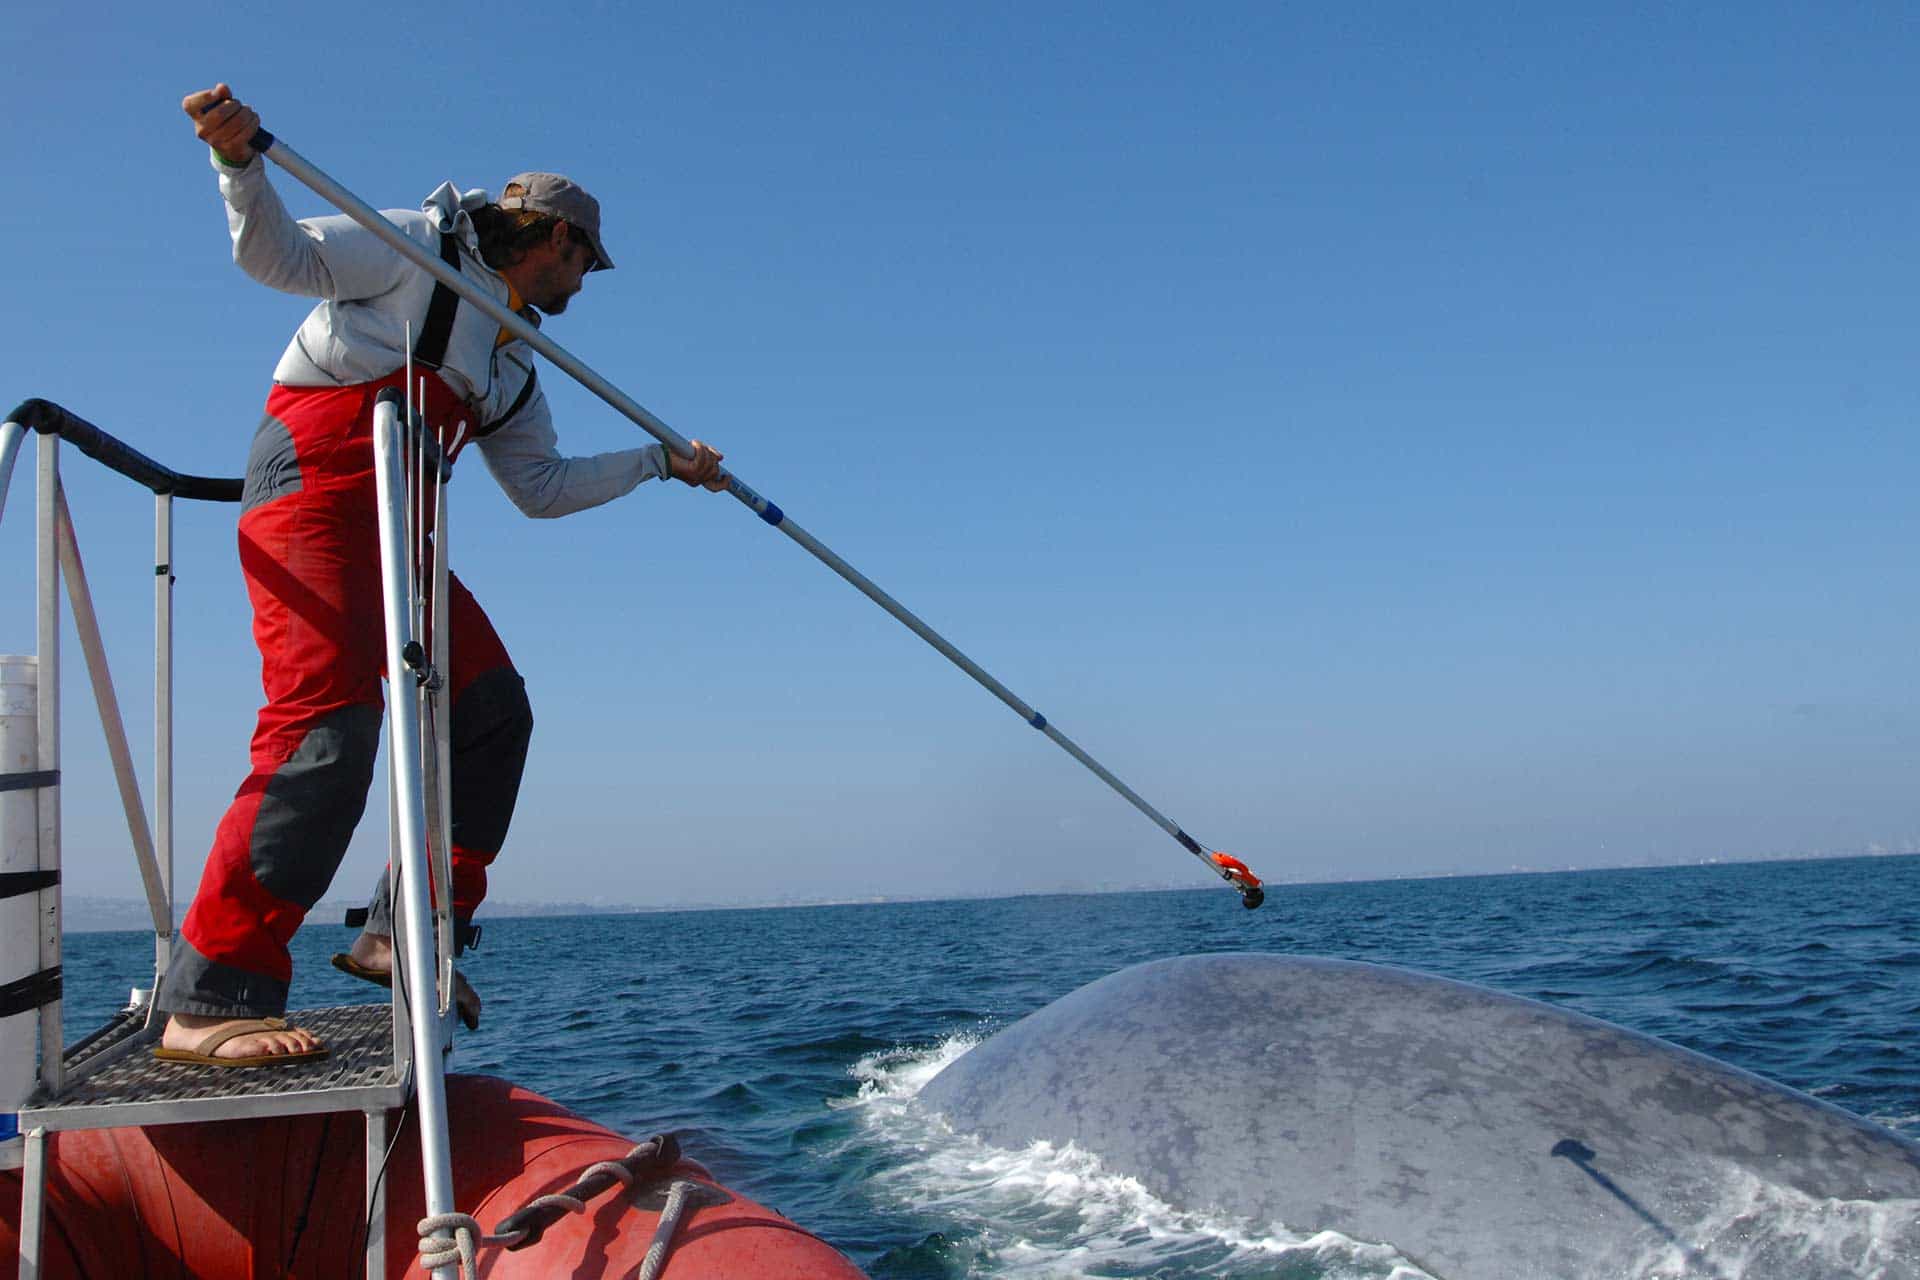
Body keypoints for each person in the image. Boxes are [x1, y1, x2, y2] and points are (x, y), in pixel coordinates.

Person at [154, 84, 728, 1067]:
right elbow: (277, 256)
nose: (585, 285)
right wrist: (240, 165)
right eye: (585, 261)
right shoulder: (417, 243)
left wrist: (655, 464)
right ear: (552, 237)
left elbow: (539, 488)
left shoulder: (513, 365)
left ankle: (403, 934)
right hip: (309, 491)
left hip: (399, 521)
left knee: (493, 709)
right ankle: (209, 994)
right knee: (326, 729)